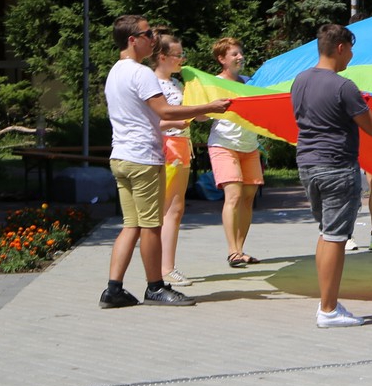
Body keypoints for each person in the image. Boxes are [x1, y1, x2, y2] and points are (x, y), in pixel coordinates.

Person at [291, 23, 372, 327]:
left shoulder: (300, 80)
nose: (351, 56)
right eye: (350, 50)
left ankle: (327, 303)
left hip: (308, 165)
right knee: (336, 238)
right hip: (337, 167)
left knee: (327, 234)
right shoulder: (343, 87)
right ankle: (328, 310)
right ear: (340, 48)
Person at [100, 16, 230, 309]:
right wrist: (209, 107)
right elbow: (165, 112)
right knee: (151, 226)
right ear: (132, 40)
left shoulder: (115, 72)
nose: (153, 38)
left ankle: (113, 290)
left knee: (131, 225)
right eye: (147, 34)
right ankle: (155, 287)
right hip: (143, 158)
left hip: (120, 156)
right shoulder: (141, 73)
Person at [206, 36, 265, 268]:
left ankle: (240, 249)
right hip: (223, 144)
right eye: (234, 54)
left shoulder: (249, 82)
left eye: (240, 53)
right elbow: (200, 116)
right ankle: (232, 252)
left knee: (248, 198)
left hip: (249, 146)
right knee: (234, 195)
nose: (240, 57)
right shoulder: (213, 83)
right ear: (222, 59)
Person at [151, 33, 196, 286]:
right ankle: (164, 268)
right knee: (167, 209)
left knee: (175, 209)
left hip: (182, 146)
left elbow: (192, 113)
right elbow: (151, 121)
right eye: (177, 55)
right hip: (167, 147)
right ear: (162, 57)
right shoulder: (152, 84)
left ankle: (166, 266)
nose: (182, 59)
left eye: (182, 54)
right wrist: (176, 122)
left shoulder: (177, 83)